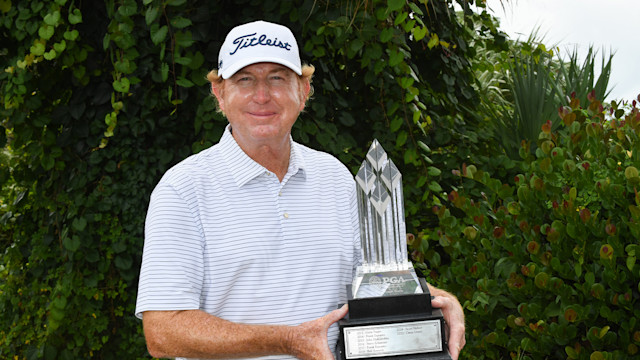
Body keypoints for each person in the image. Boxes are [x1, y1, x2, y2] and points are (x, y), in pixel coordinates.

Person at [135, 20, 466, 360]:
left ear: (304, 90)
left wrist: (440, 300)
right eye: (244, 80)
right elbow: (163, 331)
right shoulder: (182, 189)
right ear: (219, 94)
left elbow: (376, 283)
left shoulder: (335, 178)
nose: (262, 95)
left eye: (277, 78)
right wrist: (288, 340)